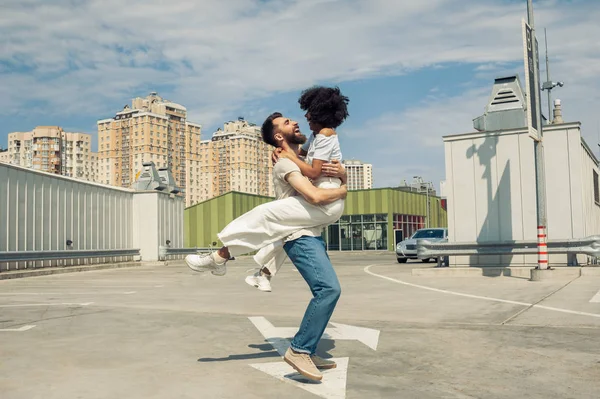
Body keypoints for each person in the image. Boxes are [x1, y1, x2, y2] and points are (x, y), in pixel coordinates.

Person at [185, 87, 349, 287]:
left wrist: (343, 187)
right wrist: (289, 154)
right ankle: (264, 274)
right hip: (327, 199)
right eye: (288, 122)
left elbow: (314, 175)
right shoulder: (316, 138)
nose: (303, 118)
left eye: (309, 112)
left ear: (320, 112)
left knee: (264, 214)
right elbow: (306, 157)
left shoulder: (324, 135)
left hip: (326, 198)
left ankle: (218, 257)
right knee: (283, 230)